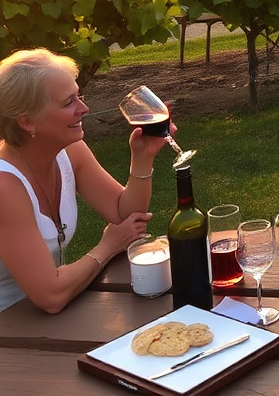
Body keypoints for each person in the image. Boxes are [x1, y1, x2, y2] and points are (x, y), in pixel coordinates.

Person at [0, 49, 163, 314]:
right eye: (68, 103)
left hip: (38, 317)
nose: (84, 109)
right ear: (27, 121)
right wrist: (108, 246)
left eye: (79, 96)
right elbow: (51, 296)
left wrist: (143, 157)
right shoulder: (5, 187)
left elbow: (126, 215)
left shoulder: (69, 150)